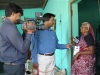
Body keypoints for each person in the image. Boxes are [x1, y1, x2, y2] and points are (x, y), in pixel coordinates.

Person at [0, 3, 35, 75]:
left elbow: (18, 42)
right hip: (15, 67)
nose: (20, 19)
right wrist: (29, 32)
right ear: (13, 14)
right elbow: (23, 48)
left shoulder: (6, 25)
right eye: (19, 15)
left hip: (12, 65)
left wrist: (25, 32)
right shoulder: (10, 28)